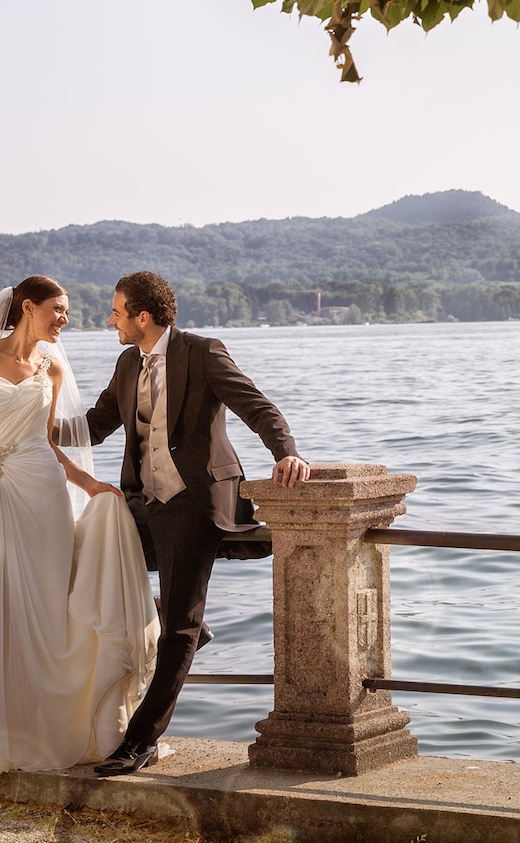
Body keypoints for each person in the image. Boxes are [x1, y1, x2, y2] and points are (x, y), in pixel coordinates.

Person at [0, 276, 157, 799]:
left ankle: (50, 725)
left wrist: (89, 484)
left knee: (47, 610)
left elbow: (47, 443)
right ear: (28, 306)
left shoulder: (53, 366)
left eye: (67, 311)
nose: (65, 318)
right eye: (58, 309)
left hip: (44, 495)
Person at [75, 270, 309, 777]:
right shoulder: (127, 363)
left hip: (193, 502)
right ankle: (193, 624)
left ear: (142, 317)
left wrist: (286, 454)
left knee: (176, 626)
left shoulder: (202, 353)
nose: (110, 320)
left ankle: (140, 740)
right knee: (88, 565)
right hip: (141, 503)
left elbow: (256, 406)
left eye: (116, 312)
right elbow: (95, 425)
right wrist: (30, 427)